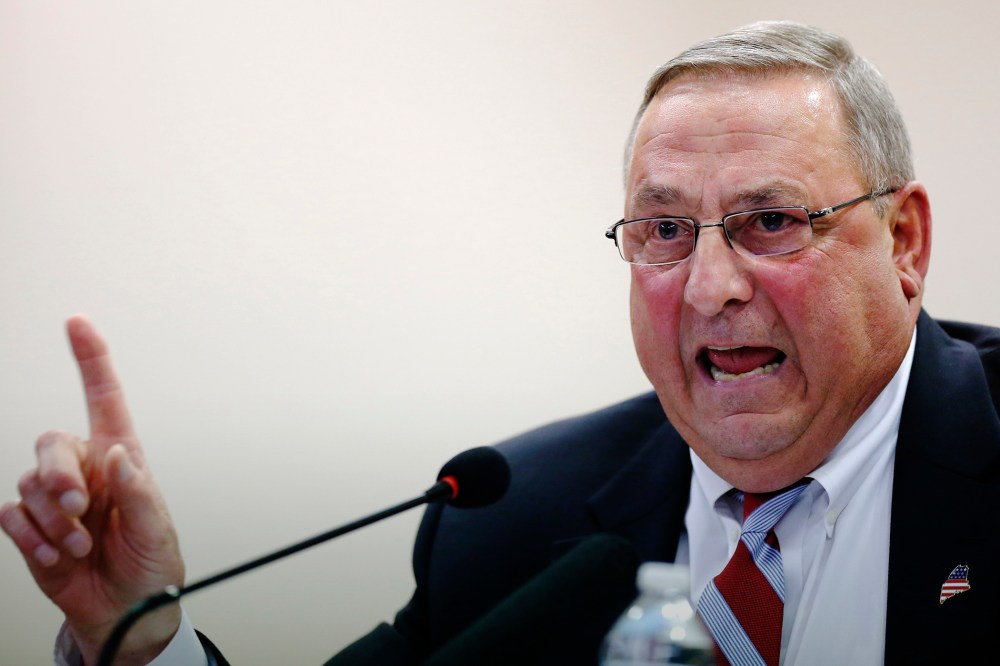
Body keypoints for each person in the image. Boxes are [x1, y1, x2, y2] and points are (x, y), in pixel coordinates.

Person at [3, 18, 999, 666]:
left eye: (770, 221)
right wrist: (143, 640)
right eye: (662, 230)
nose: (709, 286)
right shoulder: (513, 516)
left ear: (903, 242)